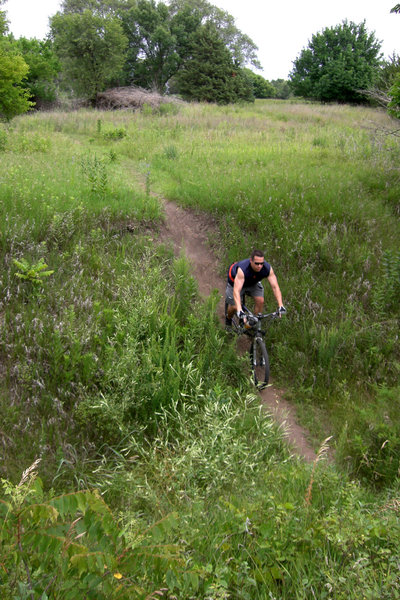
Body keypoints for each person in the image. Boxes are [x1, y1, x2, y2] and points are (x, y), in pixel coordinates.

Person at [225, 249, 286, 328]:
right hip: (235, 283)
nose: (259, 266)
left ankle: (254, 323)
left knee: (260, 300)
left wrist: (280, 305)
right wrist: (240, 310)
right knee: (235, 306)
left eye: (261, 263)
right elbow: (236, 291)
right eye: (257, 263)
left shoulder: (267, 268)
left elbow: (275, 287)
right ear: (251, 261)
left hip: (252, 282)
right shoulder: (243, 270)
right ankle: (228, 319)